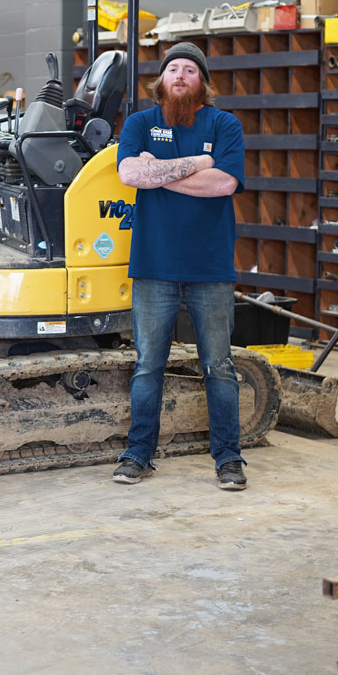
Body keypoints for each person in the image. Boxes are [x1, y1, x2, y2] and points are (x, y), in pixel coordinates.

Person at [111, 41, 248, 490]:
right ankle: (138, 455)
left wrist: (163, 172)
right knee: (148, 365)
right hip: (154, 266)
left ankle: (228, 459)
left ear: (203, 83)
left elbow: (224, 183)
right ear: (162, 81)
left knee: (219, 366)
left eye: (191, 70)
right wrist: (198, 165)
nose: (182, 75)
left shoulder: (224, 123)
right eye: (174, 69)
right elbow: (131, 175)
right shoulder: (140, 122)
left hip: (211, 267)